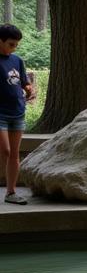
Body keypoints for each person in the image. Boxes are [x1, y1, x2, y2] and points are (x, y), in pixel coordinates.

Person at [0, 24, 35, 205]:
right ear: (1, 41)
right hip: (1, 114)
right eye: (11, 44)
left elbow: (24, 82)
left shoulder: (17, 61)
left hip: (18, 112)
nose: (14, 48)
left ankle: (11, 192)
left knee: (14, 153)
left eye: (16, 45)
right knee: (4, 150)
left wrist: (29, 90)